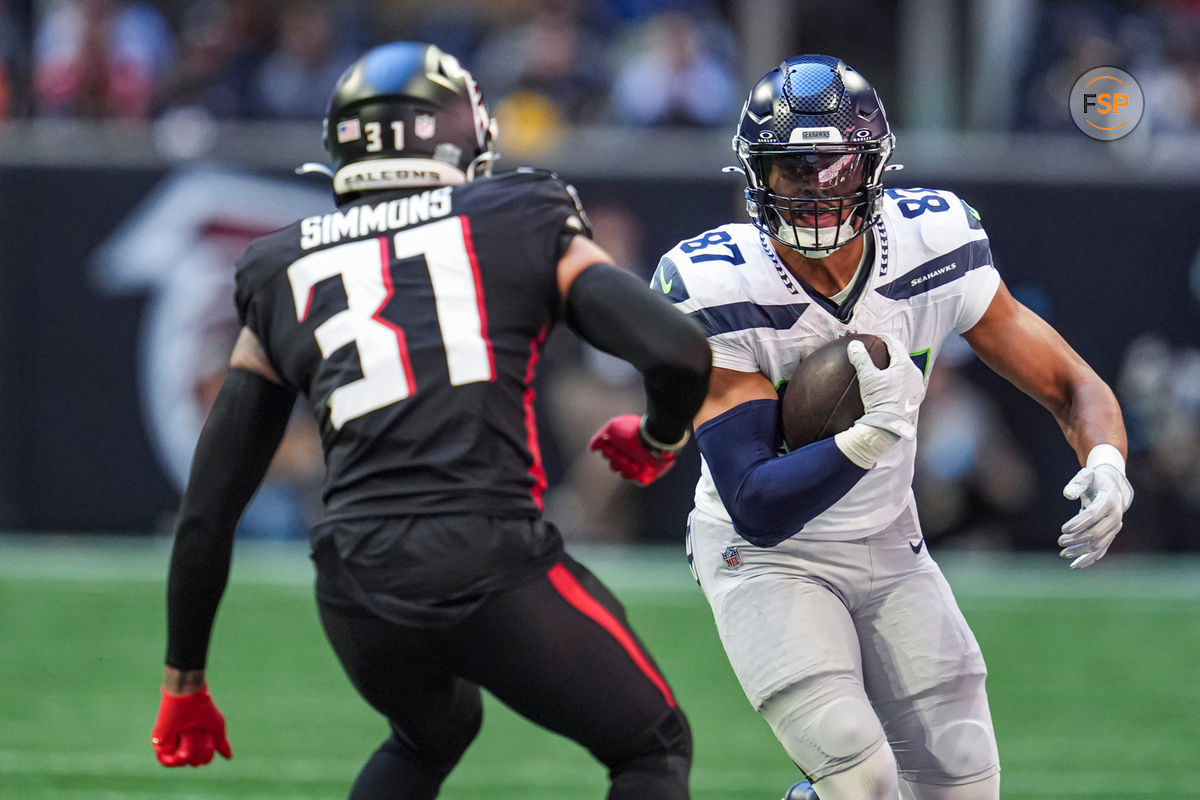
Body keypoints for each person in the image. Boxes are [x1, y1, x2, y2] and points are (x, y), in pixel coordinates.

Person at [148, 41, 711, 800]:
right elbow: (678, 352)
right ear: (460, 136)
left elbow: (207, 511)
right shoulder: (519, 212)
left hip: (356, 587)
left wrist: (185, 679)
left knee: (433, 730)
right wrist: (658, 439)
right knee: (652, 745)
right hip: (488, 561)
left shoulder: (280, 267)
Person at [646, 55, 1133, 800]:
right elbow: (755, 502)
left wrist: (1105, 459)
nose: (815, 191)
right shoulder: (716, 282)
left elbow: (1071, 384)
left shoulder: (933, 240)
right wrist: (870, 436)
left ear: (874, 168)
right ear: (754, 176)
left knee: (962, 780)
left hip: (890, 542)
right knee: (860, 776)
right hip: (766, 557)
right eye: (792, 171)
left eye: (835, 169)